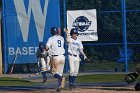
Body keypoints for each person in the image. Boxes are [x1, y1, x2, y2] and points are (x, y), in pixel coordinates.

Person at [46, 27, 65, 92]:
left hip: (56, 58)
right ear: (57, 32)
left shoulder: (51, 39)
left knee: (54, 73)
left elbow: (46, 47)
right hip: (62, 57)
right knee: (60, 73)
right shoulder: (61, 38)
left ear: (52, 32)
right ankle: (59, 87)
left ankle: (61, 78)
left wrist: (47, 50)